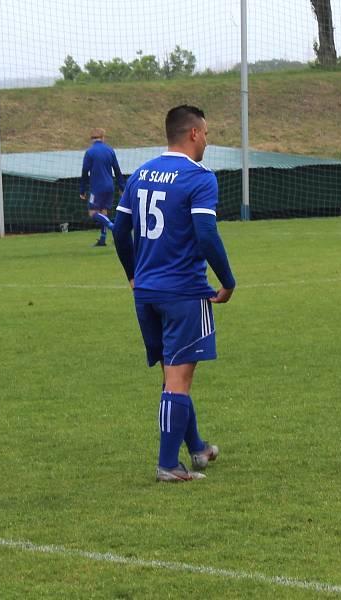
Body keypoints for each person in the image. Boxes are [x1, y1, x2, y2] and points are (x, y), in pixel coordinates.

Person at [112, 105, 236, 482]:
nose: (207, 140)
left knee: (171, 375)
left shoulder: (141, 173)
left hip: (146, 292)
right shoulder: (200, 178)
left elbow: (120, 231)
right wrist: (227, 280)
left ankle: (196, 448)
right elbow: (206, 234)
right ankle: (168, 464)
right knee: (179, 378)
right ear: (195, 134)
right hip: (184, 291)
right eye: (207, 133)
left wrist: (134, 276)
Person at [80, 127, 125, 246]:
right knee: (103, 212)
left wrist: (82, 189)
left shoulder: (90, 152)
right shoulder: (110, 150)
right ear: (103, 138)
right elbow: (117, 170)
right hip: (110, 186)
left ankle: (114, 228)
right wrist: (122, 187)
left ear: (91, 139)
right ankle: (103, 239)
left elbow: (85, 172)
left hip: (97, 188)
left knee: (92, 212)